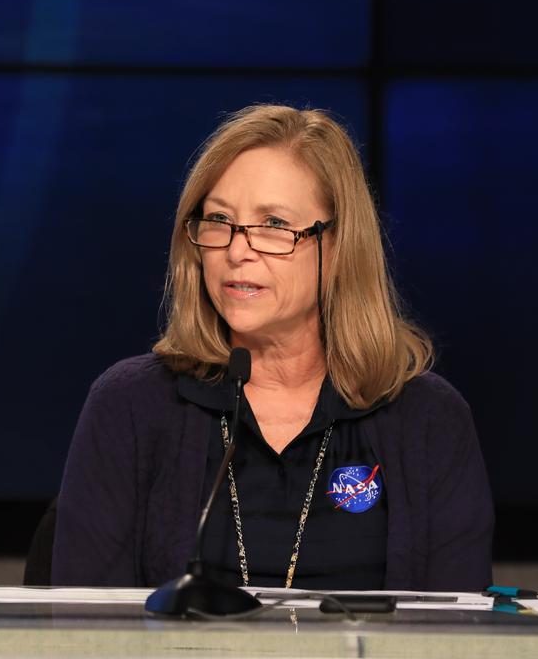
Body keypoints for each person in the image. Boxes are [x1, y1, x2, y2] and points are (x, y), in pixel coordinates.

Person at [51, 104, 493, 591]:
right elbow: (87, 632)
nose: (238, 251)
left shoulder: (430, 419)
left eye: (274, 225)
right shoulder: (130, 405)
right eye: (219, 219)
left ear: (340, 246)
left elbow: (457, 641)